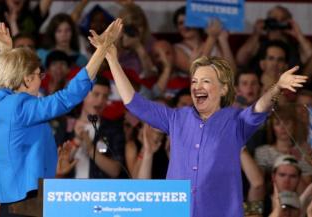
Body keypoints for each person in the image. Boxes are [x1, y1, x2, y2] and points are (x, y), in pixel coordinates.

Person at [88, 28, 308, 216]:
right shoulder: (176, 117)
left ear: (223, 89)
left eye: (205, 81)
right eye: (194, 81)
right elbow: (133, 102)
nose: (197, 86)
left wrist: (277, 87)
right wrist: (111, 59)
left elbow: (260, 107)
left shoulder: (236, 121)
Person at [0, 19, 122, 216]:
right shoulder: (23, 107)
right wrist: (101, 50)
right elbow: (67, 97)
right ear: (27, 79)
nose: (41, 79)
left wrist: (6, 53)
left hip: (8, 200)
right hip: (26, 201)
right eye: (39, 74)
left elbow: (1, 85)